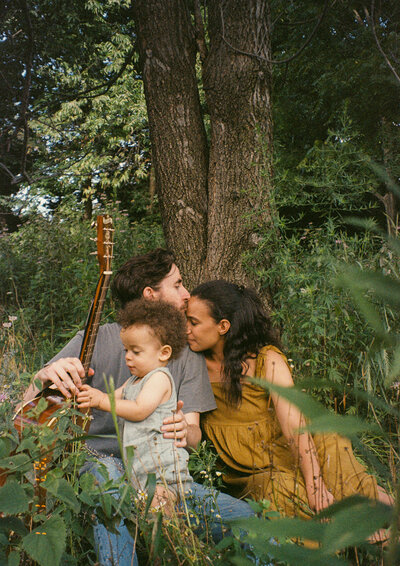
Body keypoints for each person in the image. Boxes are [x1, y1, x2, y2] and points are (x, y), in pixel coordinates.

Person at [22, 249, 255, 566]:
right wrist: (45, 375)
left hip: (159, 472)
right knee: (109, 482)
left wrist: (183, 431)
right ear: (151, 294)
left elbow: (194, 433)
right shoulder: (95, 340)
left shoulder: (185, 355)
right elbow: (26, 409)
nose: (187, 294)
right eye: (178, 284)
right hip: (99, 466)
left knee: (249, 518)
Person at [186, 280, 393, 532]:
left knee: (337, 457)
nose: (186, 329)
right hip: (249, 465)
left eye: (193, 322)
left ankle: (382, 515)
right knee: (281, 488)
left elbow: (292, 423)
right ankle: (352, 538)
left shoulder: (265, 360)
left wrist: (314, 481)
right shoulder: (190, 364)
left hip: (293, 443)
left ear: (223, 326)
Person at [76, 298, 192, 510]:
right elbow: (111, 397)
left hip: (162, 474)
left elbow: (139, 410)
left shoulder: (159, 378)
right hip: (141, 473)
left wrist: (101, 400)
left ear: (164, 353)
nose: (128, 358)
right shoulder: (133, 382)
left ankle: (181, 541)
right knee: (148, 522)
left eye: (136, 352)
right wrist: (88, 396)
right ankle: (178, 539)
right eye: (125, 351)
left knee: (160, 519)